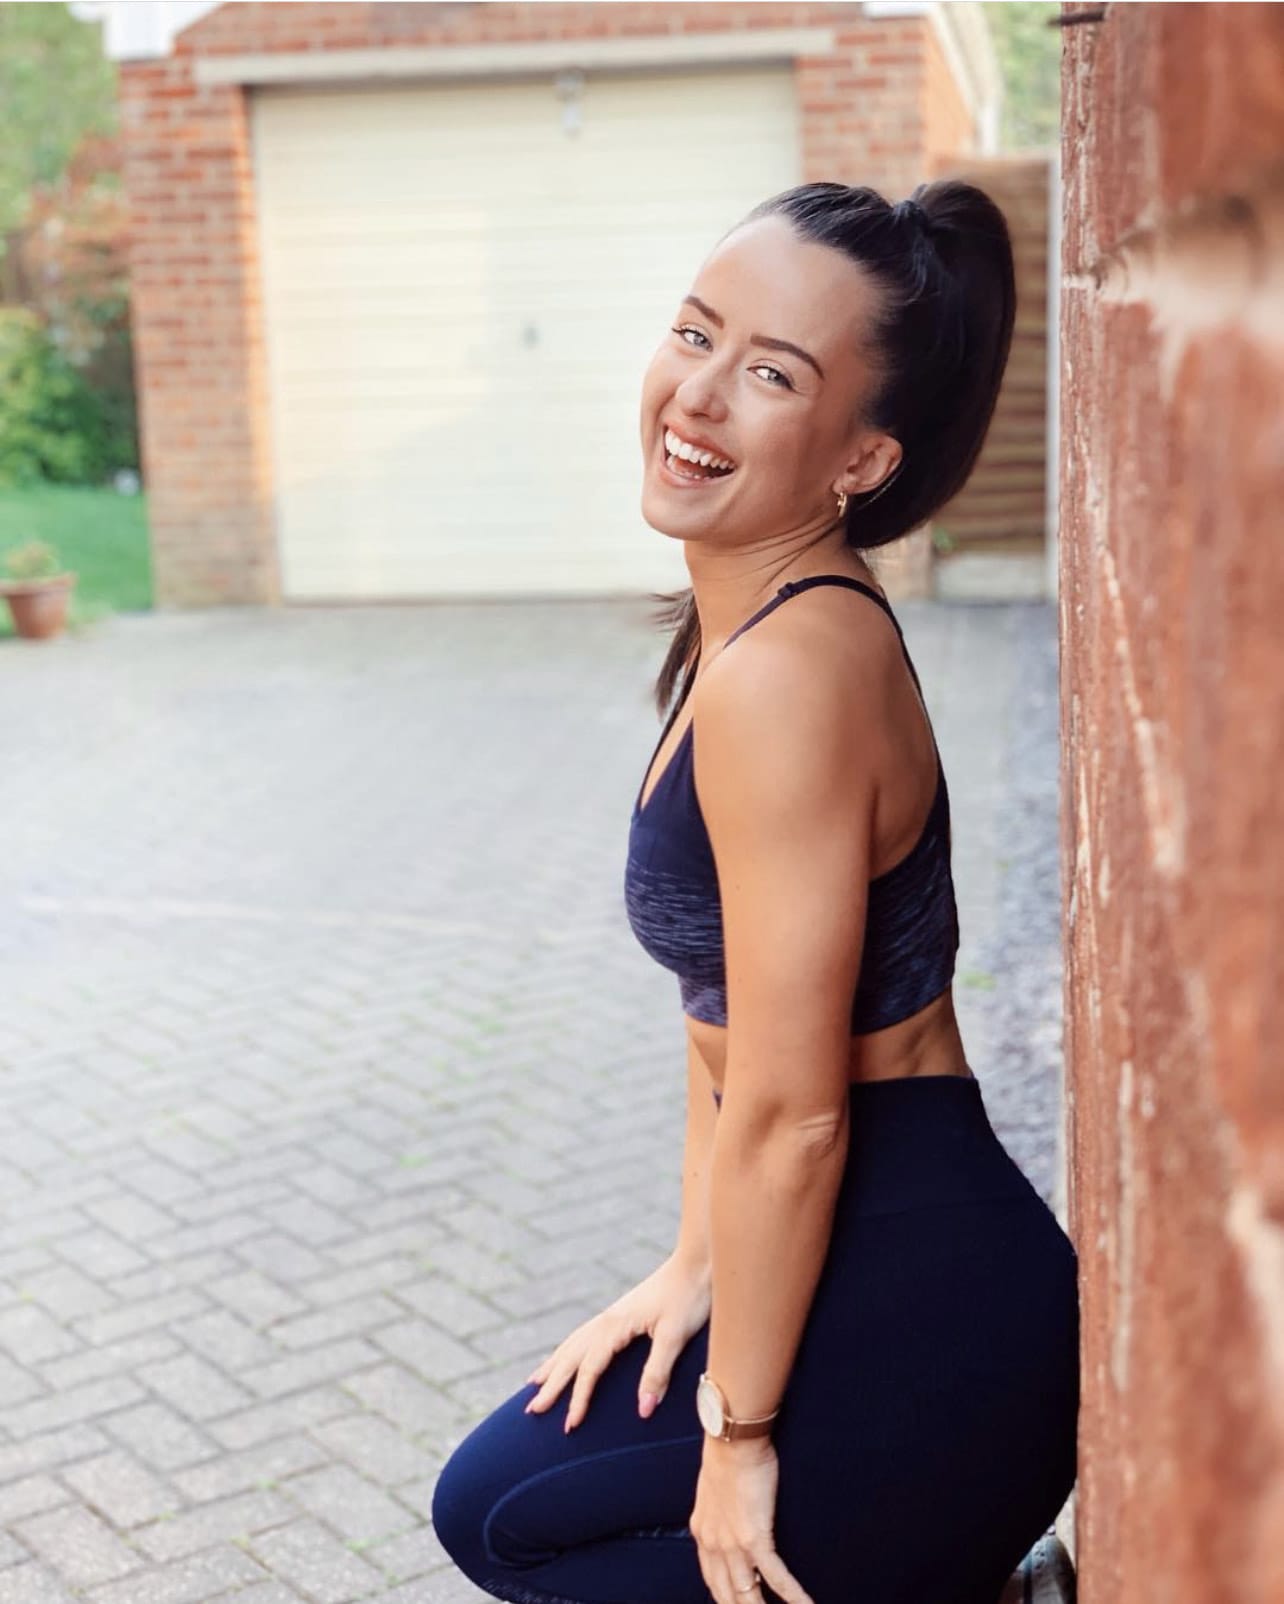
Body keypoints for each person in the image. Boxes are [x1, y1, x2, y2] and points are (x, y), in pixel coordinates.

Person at [430, 180, 1080, 1604]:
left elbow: (796, 1112)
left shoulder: (788, 673)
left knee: (542, 1543)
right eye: (695, 333)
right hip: (861, 1234)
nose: (700, 394)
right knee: (491, 1507)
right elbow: (715, 1015)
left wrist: (741, 1431)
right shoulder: (743, 631)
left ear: (862, 458)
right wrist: (693, 1265)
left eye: (773, 374)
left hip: (932, 1291)